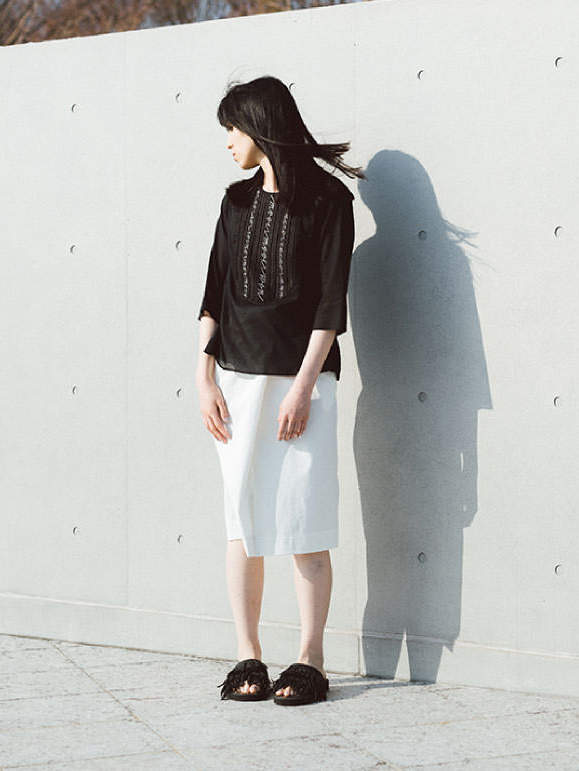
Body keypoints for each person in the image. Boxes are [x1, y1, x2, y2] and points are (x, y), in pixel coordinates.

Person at [196, 76, 362, 706]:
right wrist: (203, 377)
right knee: (242, 522)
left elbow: (330, 304)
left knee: (303, 519)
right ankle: (249, 655)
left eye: (232, 130)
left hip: (305, 385)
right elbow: (214, 291)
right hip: (235, 382)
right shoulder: (235, 202)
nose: (228, 143)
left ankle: (310, 659)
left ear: (260, 127)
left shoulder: (328, 201)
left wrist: (302, 388)